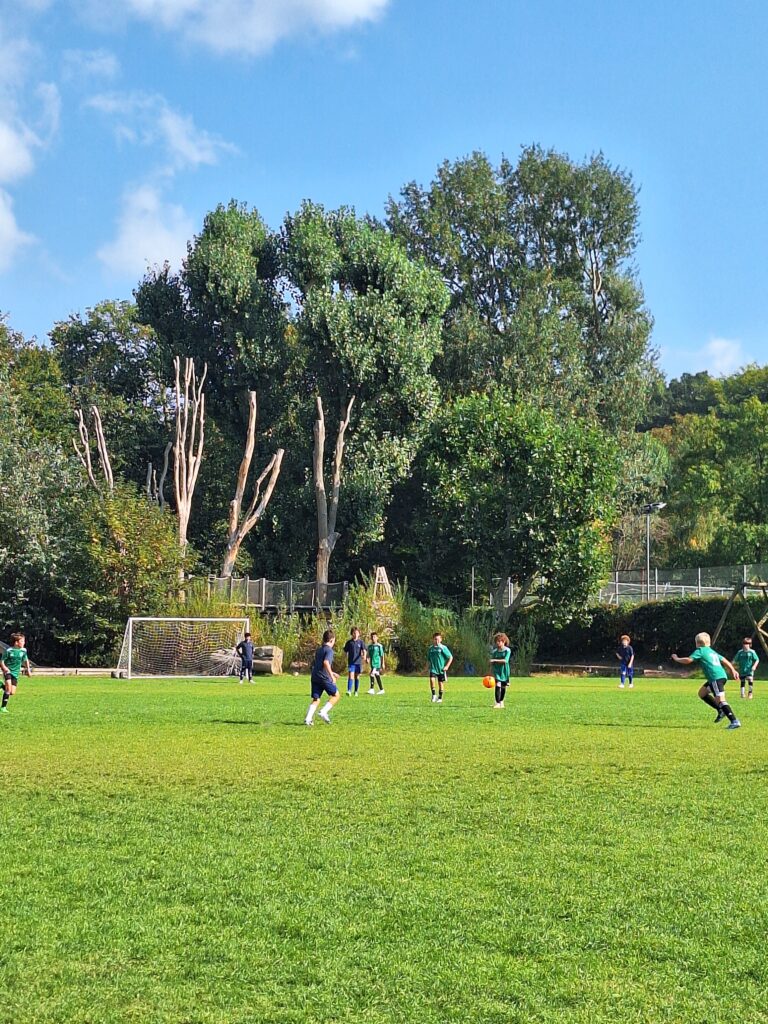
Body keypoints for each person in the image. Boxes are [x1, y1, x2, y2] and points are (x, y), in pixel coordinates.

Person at [672, 631, 741, 729]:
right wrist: (733, 670)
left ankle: (734, 720)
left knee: (720, 700)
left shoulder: (700, 650)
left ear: (697, 643)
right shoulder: (711, 651)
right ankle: (720, 710)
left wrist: (677, 658)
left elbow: (688, 660)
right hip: (721, 676)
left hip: (715, 678)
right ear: (709, 643)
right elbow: (724, 660)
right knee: (702, 693)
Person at [305, 629, 340, 726]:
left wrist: (332, 672)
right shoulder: (329, 650)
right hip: (323, 677)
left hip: (315, 676)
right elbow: (326, 662)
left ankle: (308, 719)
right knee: (336, 695)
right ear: (332, 640)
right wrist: (331, 675)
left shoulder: (319, 650)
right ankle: (323, 712)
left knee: (316, 699)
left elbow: (320, 664)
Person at [1, 633, 32, 714]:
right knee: (8, 689)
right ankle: (3, 708)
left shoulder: (23, 650)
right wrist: (5, 668)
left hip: (15, 673)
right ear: (16, 642)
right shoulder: (9, 651)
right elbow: (2, 661)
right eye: (22, 641)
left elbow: (26, 660)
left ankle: (1, 685)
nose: (24, 643)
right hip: (8, 671)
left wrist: (28, 670)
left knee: (12, 692)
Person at [427, 632, 453, 703]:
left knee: (440, 683)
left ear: (441, 639)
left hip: (441, 669)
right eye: (435, 639)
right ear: (433, 640)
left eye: (438, 639)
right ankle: (433, 695)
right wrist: (426, 667)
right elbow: (428, 659)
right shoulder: (431, 649)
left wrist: (447, 666)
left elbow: (450, 657)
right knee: (432, 680)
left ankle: (440, 698)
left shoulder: (443, 648)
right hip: (433, 668)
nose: (437, 641)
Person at [489, 631, 511, 709]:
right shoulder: (494, 652)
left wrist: (494, 660)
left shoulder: (507, 650)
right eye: (496, 642)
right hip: (497, 671)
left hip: (504, 671)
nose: (498, 643)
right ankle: (497, 703)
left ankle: (501, 701)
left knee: (503, 687)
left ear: (503, 641)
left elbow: (505, 661)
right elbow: (492, 662)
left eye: (499, 641)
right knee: (498, 685)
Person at [343, 627, 367, 696]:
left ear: (359, 634)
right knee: (351, 676)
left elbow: (364, 650)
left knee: (357, 676)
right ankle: (349, 690)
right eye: (354, 633)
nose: (355, 634)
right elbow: (345, 651)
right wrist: (344, 658)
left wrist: (364, 656)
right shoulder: (349, 642)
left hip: (358, 663)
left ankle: (356, 691)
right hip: (351, 662)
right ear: (351, 634)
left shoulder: (361, 642)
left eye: (356, 633)